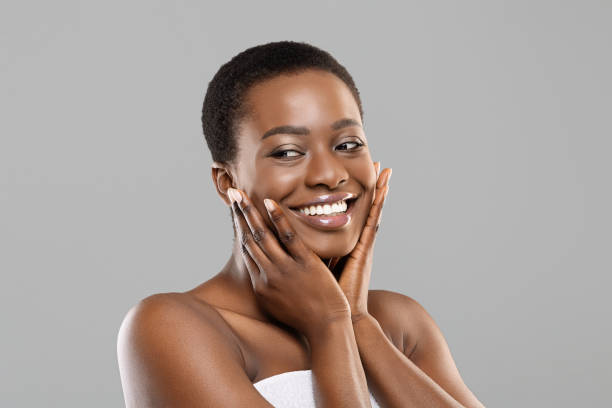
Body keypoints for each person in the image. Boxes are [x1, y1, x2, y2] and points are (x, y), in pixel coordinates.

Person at [117, 40, 486, 407]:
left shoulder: (399, 324)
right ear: (226, 182)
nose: (329, 174)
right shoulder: (174, 328)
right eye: (288, 152)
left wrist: (357, 321)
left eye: (347, 144)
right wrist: (329, 325)